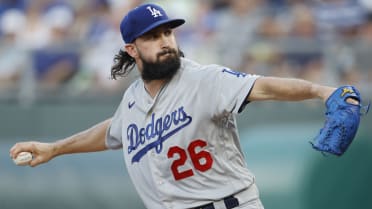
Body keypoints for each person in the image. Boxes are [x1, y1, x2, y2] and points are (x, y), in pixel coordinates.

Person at [10, 3, 355, 209]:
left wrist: (321, 90)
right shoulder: (132, 100)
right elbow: (115, 131)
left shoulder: (204, 79)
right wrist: (54, 149)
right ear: (132, 49)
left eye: (168, 33)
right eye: (153, 37)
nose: (165, 42)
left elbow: (263, 86)